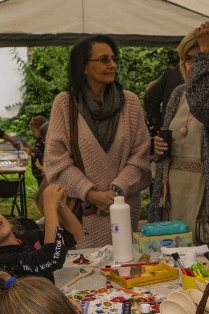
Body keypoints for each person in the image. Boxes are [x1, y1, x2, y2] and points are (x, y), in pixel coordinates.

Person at [149, 23, 209, 268]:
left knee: (201, 263)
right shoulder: (178, 93)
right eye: (188, 58)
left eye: (201, 55)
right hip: (171, 192)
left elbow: (203, 104)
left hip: (203, 192)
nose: (193, 64)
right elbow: (172, 141)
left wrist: (206, 53)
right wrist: (159, 147)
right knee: (170, 259)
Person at [45, 35, 152, 249]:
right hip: (84, 212)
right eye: (104, 60)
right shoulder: (65, 104)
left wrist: (116, 191)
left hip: (123, 208)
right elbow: (56, 160)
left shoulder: (129, 102)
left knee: (125, 267)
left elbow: (140, 154)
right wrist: (90, 194)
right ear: (83, 67)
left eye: (114, 59)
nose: (112, 65)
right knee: (87, 274)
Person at [0, 183, 84, 282]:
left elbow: (76, 234)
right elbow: (50, 259)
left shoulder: (26, 239)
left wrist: (60, 205)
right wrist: (49, 207)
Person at [143, 66, 184, 134]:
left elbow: (149, 98)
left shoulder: (172, 73)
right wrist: (159, 124)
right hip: (172, 130)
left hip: (169, 130)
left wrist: (159, 125)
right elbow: (149, 98)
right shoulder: (173, 74)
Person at [29, 115, 48, 187]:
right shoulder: (39, 141)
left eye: (34, 131)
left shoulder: (43, 142)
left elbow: (39, 155)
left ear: (41, 128)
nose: (33, 133)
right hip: (39, 173)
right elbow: (37, 152)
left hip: (42, 173)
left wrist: (40, 166)